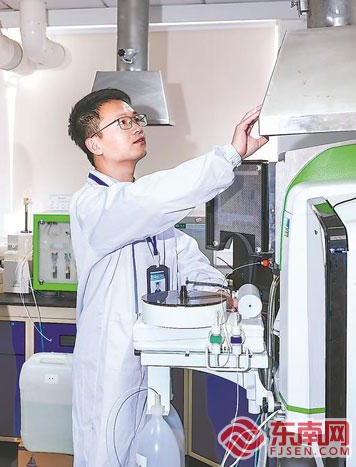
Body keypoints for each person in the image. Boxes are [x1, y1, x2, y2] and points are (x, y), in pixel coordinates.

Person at [66, 88, 268, 466]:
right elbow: (155, 198)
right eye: (122, 122)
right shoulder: (94, 205)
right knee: (106, 455)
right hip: (110, 365)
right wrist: (230, 155)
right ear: (94, 142)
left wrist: (223, 293)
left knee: (148, 452)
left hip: (149, 356)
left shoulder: (146, 212)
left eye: (136, 119)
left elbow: (185, 258)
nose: (136, 127)